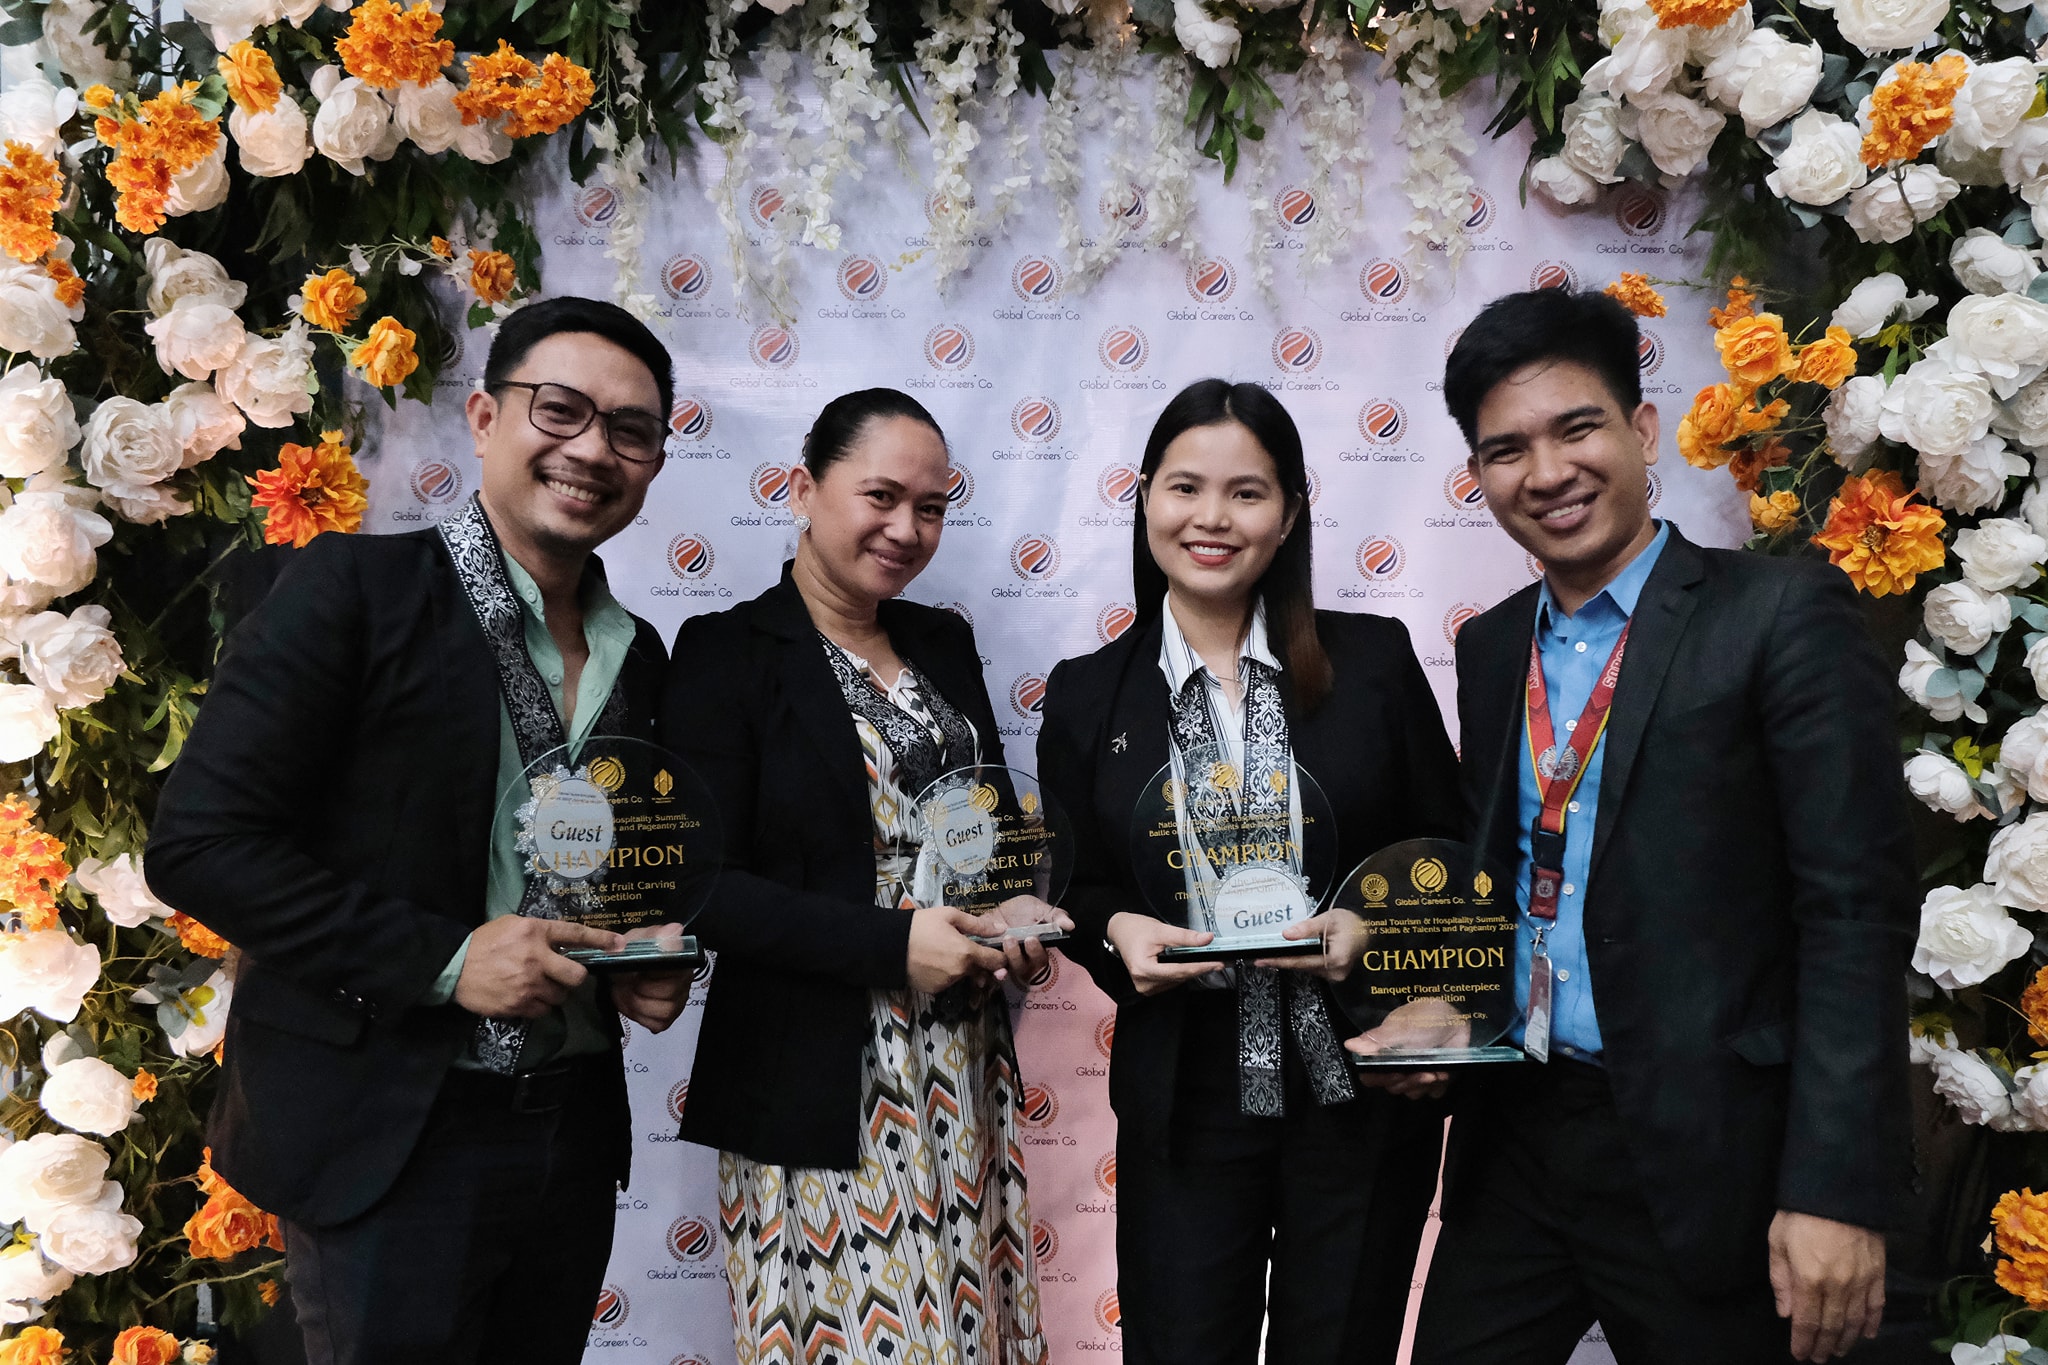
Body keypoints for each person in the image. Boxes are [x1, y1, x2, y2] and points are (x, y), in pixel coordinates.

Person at [145, 296, 695, 1365]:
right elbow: (200, 844)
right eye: (561, 410)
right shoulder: (353, 590)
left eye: (630, 431)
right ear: (485, 418)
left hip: (568, 1129)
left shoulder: (642, 654)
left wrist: (646, 953)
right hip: (390, 1129)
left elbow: (605, 862)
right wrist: (446, 960)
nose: (593, 450)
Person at [1403, 289, 1914, 1365]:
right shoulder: (1492, 647)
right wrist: (1450, 1002)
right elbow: (1507, 876)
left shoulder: (1777, 615)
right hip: (1518, 1135)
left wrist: (1834, 1187)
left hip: (1711, 1151)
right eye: (1505, 450)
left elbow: (1854, 915)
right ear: (1478, 474)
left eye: (1575, 428)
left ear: (1640, 430)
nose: (1546, 472)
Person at [1036, 379, 1462, 1365]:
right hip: (1184, 1092)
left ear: (1291, 512)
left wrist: (1371, 930)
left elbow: (1447, 855)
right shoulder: (1087, 694)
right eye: (1185, 488)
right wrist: (1114, 933)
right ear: (1146, 498)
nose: (1211, 519)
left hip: (1357, 1078)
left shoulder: (1373, 661)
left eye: (1246, 492)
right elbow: (1076, 884)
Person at [662, 388, 1066, 1365]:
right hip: (816, 1074)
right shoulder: (725, 652)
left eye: (931, 508)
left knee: (969, 1334)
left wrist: (1012, 903)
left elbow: (979, 824)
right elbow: (699, 884)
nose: (906, 529)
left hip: (962, 1063)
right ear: (803, 489)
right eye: (880, 497)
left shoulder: (941, 642)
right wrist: (893, 944)